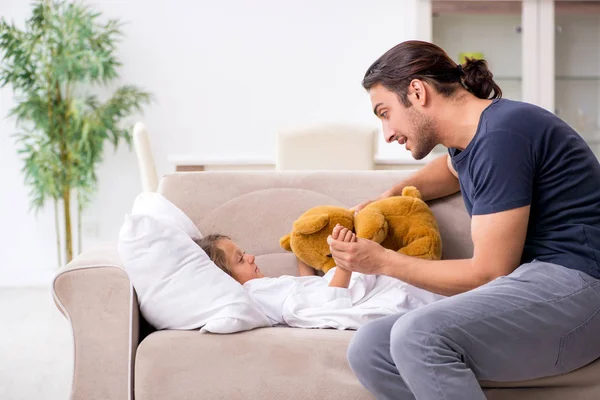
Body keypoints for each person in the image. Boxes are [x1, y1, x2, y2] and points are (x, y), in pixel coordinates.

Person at [326, 40, 600, 400]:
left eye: (384, 112)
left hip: (581, 287)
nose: (388, 133)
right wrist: (391, 195)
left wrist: (380, 261)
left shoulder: (504, 133)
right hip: (539, 288)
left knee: (417, 334)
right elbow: (451, 169)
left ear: (417, 91)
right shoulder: (474, 138)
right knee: (370, 348)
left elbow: (488, 273)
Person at [194, 225, 444, 329]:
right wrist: (345, 265)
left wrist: (304, 261)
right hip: (348, 297)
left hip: (335, 289)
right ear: (226, 278)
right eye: (240, 259)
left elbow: (305, 293)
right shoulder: (255, 292)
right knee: (406, 288)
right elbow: (325, 303)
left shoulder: (264, 291)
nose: (251, 258)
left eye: (245, 252)